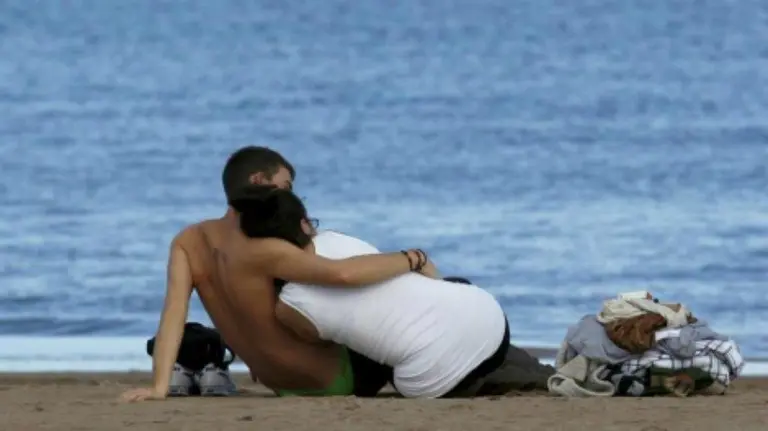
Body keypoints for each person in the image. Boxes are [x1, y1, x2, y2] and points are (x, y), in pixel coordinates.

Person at [120, 146, 430, 401]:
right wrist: (412, 258)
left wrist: (158, 388)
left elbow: (173, 314)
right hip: (336, 379)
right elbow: (343, 275)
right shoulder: (265, 246)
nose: (292, 199)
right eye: (286, 186)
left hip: (280, 384)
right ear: (258, 180)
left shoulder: (187, 241)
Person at [231, 185, 556, 398]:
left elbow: (324, 350)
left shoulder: (289, 307)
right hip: (489, 317)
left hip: (434, 379)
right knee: (444, 298)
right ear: (304, 225)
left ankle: (507, 370)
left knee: (363, 344)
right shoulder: (337, 239)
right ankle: (523, 367)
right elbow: (419, 275)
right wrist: (416, 262)